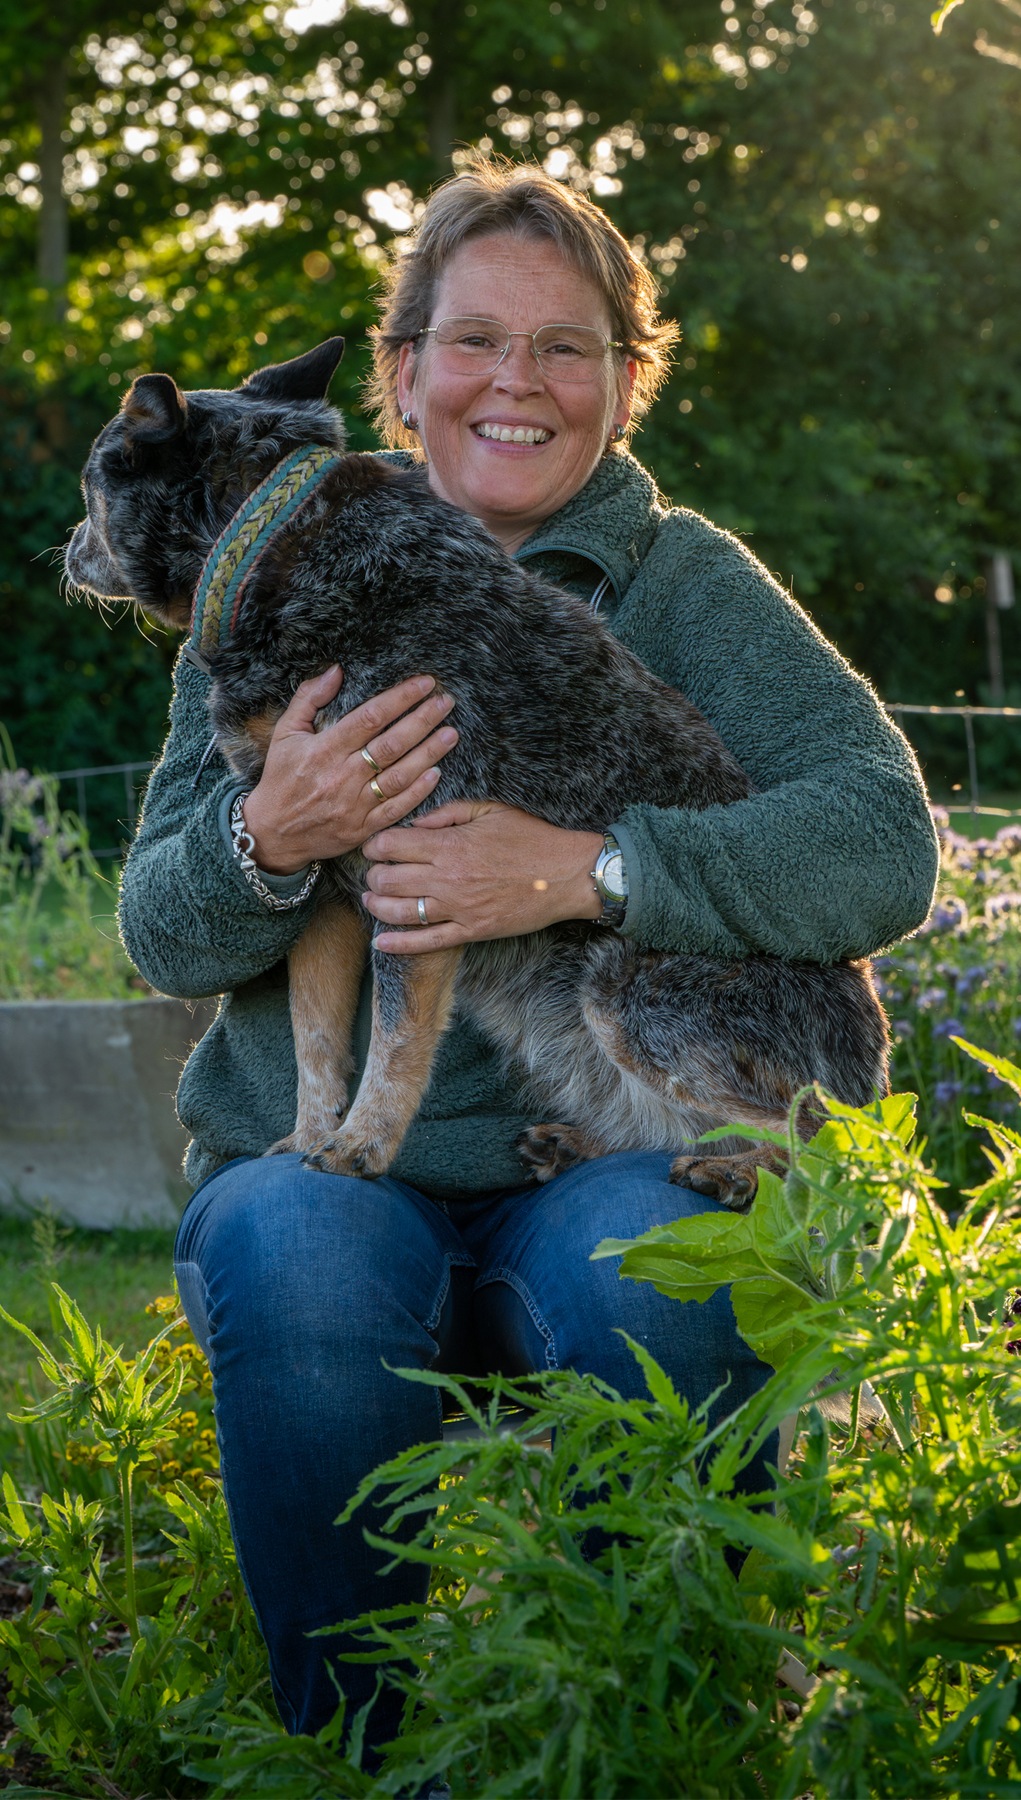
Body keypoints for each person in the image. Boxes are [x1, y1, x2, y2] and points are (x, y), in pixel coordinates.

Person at [118, 158, 937, 1758]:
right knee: (291, 1248)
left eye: (570, 347)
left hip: (617, 1154)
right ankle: (352, 1758)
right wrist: (266, 836)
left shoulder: (685, 583)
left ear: (628, 385)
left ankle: (658, 1738)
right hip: (340, 1163)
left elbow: (883, 843)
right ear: (401, 369)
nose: (518, 383)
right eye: (475, 340)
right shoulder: (267, 579)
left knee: (660, 1278)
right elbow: (160, 932)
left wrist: (590, 870)